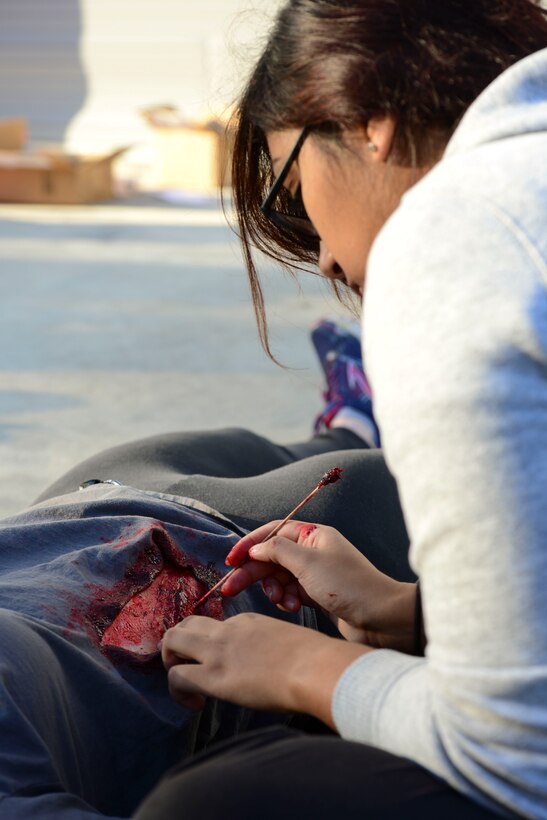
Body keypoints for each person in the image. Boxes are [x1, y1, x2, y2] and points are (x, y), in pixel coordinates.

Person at [132, 0, 547, 818]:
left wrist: (304, 670)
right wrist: (409, 613)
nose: (321, 253)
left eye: (292, 181)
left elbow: (516, 755)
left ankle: (351, 422)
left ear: (368, 126)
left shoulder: (456, 233)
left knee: (214, 803)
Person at [0, 321, 405, 819]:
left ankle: (353, 418)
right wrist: (368, 631)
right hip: (284, 583)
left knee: (289, 447)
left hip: (82, 504)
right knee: (416, 466)